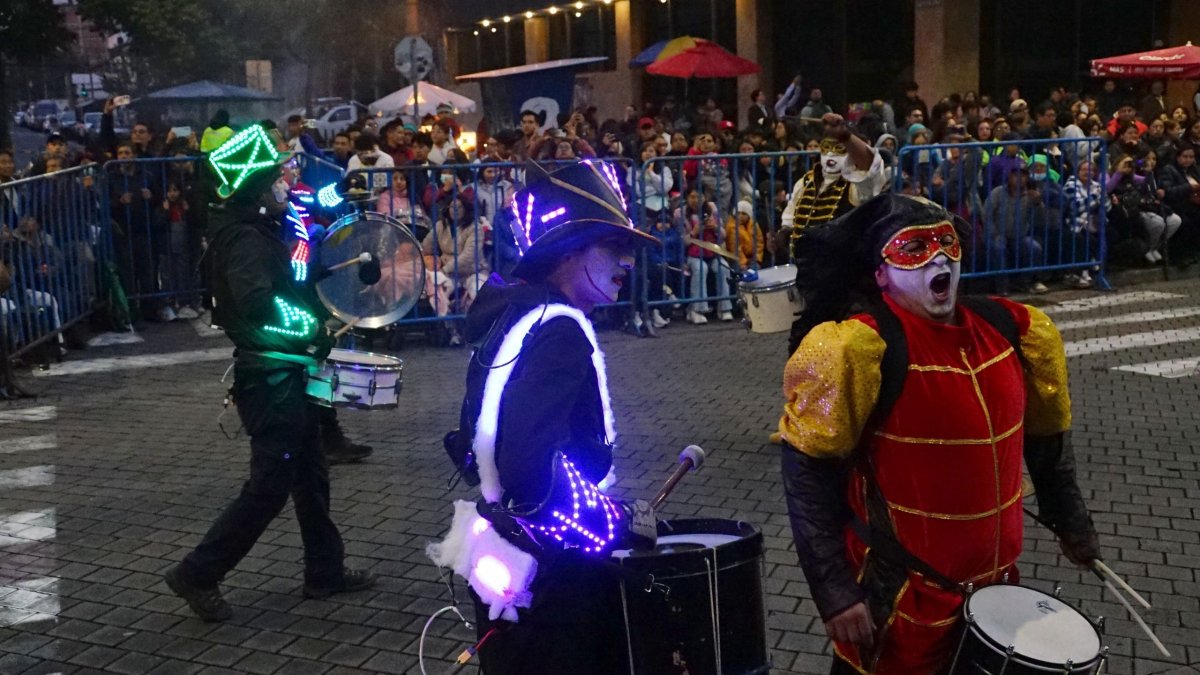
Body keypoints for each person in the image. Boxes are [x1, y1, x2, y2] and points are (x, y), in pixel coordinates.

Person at [779, 193, 1099, 674]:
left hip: (994, 598)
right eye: (914, 248)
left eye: (947, 243)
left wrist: (1070, 519)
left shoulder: (1017, 329)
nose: (939, 258)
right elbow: (808, 477)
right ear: (881, 273)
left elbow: (1046, 444)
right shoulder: (858, 347)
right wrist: (836, 594)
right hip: (898, 598)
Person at [432, 160, 659, 674]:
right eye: (613, 248)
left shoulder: (518, 310)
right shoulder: (560, 330)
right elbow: (530, 470)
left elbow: (478, 441)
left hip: (508, 548)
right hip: (553, 572)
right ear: (569, 251)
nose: (627, 262)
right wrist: (610, 521)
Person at [163, 127, 375, 622]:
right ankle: (197, 572)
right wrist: (310, 331)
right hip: (270, 377)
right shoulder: (244, 240)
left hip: (283, 371)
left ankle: (324, 571)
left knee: (311, 474)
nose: (285, 182)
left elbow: (284, 283)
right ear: (256, 185)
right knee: (268, 488)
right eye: (275, 176)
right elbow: (258, 303)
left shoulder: (255, 230)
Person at [780, 113, 886, 256]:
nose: (830, 154)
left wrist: (845, 136)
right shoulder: (806, 181)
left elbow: (870, 168)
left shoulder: (856, 184)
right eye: (826, 147)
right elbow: (791, 211)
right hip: (805, 266)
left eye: (838, 148)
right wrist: (785, 231)